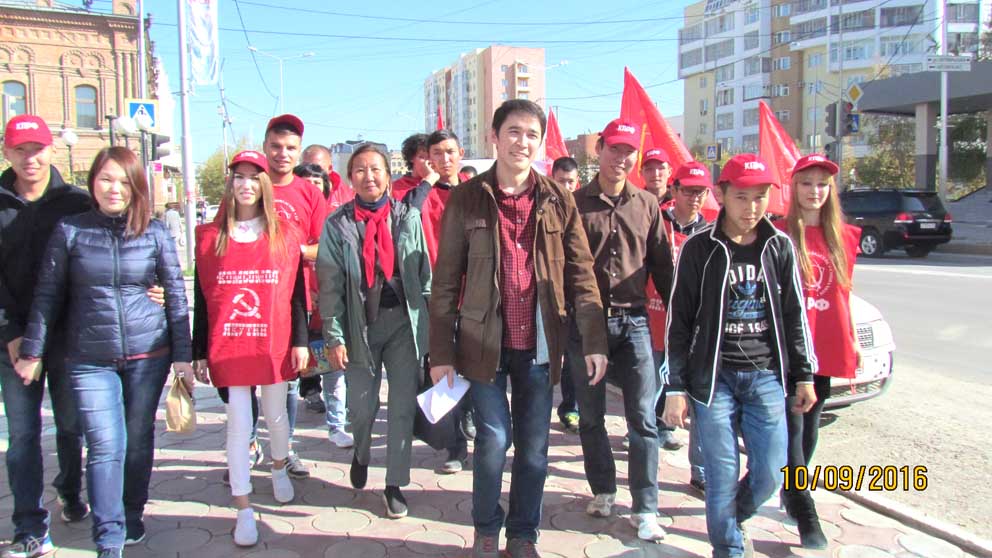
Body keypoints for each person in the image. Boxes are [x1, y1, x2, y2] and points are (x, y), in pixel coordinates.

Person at [429, 99, 608, 558]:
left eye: (531, 134)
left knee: (533, 449)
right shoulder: (467, 198)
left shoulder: (558, 198)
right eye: (513, 131)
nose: (522, 142)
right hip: (482, 343)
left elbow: (582, 274)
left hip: (540, 344)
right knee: (493, 440)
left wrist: (593, 340)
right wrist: (441, 353)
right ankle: (487, 529)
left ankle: (523, 535)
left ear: (541, 142)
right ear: (494, 136)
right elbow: (445, 280)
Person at [15, 146, 193, 558]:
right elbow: (47, 295)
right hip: (89, 358)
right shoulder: (70, 230)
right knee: (105, 444)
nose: (114, 189)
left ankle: (132, 512)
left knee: (138, 439)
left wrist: (183, 356)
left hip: (148, 355)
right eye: (106, 179)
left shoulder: (154, 232)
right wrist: (32, 351)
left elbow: (176, 296)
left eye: (123, 181)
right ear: (92, 183)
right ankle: (108, 536)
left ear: (137, 187)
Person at [662, 153, 818, 558]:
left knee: (771, 470)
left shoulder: (778, 247)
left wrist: (804, 375)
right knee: (721, 473)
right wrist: (675, 387)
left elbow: (794, 316)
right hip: (713, 379)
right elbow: (679, 321)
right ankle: (728, 548)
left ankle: (734, 517)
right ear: (722, 195)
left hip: (766, 376)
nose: (751, 208)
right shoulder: (700, 248)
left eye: (760, 197)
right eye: (741, 198)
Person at [192, 150, 309, 547]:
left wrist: (301, 341)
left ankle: (278, 466)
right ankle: (243, 507)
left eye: (253, 177)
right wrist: (198, 350)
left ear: (264, 185)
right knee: (239, 425)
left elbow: (296, 294)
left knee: (276, 416)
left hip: (273, 342)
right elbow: (203, 298)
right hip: (230, 343)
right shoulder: (210, 238)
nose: (245, 184)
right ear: (230, 184)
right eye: (238, 177)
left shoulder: (285, 234)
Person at [567, 120, 672, 543]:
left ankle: (646, 507)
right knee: (591, 416)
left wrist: (683, 320)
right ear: (600, 150)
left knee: (642, 418)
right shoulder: (574, 204)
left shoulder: (647, 205)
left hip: (634, 323)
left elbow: (663, 267)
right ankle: (604, 490)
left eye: (629, 152)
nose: (621, 158)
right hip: (585, 324)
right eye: (614, 149)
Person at [317, 143, 432, 520]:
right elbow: (329, 285)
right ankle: (362, 452)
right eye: (360, 170)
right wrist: (334, 336)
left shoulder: (407, 217)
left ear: (388, 175)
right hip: (358, 328)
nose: (369, 176)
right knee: (362, 409)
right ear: (351, 178)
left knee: (402, 406)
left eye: (376, 169)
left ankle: (394, 484)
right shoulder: (338, 224)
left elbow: (424, 276)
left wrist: (431, 329)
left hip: (402, 325)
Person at [0, 114, 90, 558]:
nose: (30, 158)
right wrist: (12, 332)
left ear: (50, 150)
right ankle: (29, 525)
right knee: (22, 435)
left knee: (71, 426)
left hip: (67, 340)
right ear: (7, 152)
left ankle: (70, 491)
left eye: (36, 149)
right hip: (13, 342)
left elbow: (101, 259)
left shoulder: (76, 203)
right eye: (20, 150)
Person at [775, 154, 861, 549]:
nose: (815, 191)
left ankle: (790, 488)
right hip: (789, 350)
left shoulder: (844, 236)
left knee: (810, 429)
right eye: (807, 183)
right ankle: (804, 508)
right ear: (794, 188)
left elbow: (844, 293)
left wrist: (852, 339)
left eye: (822, 185)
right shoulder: (778, 235)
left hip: (824, 344)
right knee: (793, 428)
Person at [403, 129, 476, 475]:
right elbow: (406, 218)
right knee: (444, 371)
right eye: (436, 154)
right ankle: (456, 446)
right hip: (437, 298)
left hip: (475, 296)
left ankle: (472, 418)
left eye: (450, 152)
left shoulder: (475, 191)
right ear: (427, 159)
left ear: (461, 153)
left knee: (476, 369)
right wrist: (429, 182)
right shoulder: (419, 194)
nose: (444, 159)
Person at [261, 114, 326, 479]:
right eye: (275, 146)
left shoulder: (309, 193)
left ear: (298, 151)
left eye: (290, 148)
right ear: (265, 146)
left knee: (286, 377)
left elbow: (325, 246)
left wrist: (293, 251)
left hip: (291, 300)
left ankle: (283, 449)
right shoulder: (250, 184)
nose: (282, 154)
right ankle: (248, 445)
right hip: (250, 298)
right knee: (244, 381)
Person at [652, 161, 712, 491]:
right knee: (649, 390)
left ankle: (700, 469)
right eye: (688, 191)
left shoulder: (711, 232)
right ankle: (646, 439)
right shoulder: (655, 221)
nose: (694, 198)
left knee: (699, 399)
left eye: (700, 192)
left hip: (694, 331)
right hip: (654, 321)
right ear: (674, 190)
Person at [293, 162, 354, 449]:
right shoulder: (288, 217)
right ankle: (285, 435)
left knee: (334, 367)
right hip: (296, 305)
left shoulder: (337, 218)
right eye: (304, 182)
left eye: (316, 182)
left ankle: (337, 425)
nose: (311, 188)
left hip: (330, 305)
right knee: (294, 371)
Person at [391, 133, 436, 201]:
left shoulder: (442, 187)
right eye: (422, 157)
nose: (428, 162)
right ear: (411, 158)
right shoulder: (395, 188)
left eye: (430, 157)